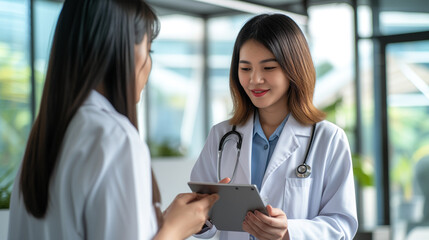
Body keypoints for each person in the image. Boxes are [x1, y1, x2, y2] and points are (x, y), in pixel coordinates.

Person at [8, 0, 218, 240]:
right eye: (148, 50)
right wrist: (174, 231)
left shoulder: (44, 137)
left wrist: (158, 220)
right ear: (124, 51)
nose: (149, 64)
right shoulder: (115, 138)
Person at [191, 13, 358, 240]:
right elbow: (204, 224)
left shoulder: (328, 138)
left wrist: (290, 231)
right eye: (245, 68)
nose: (255, 79)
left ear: (294, 69)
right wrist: (202, 216)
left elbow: (342, 225)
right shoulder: (222, 135)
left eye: (268, 68)